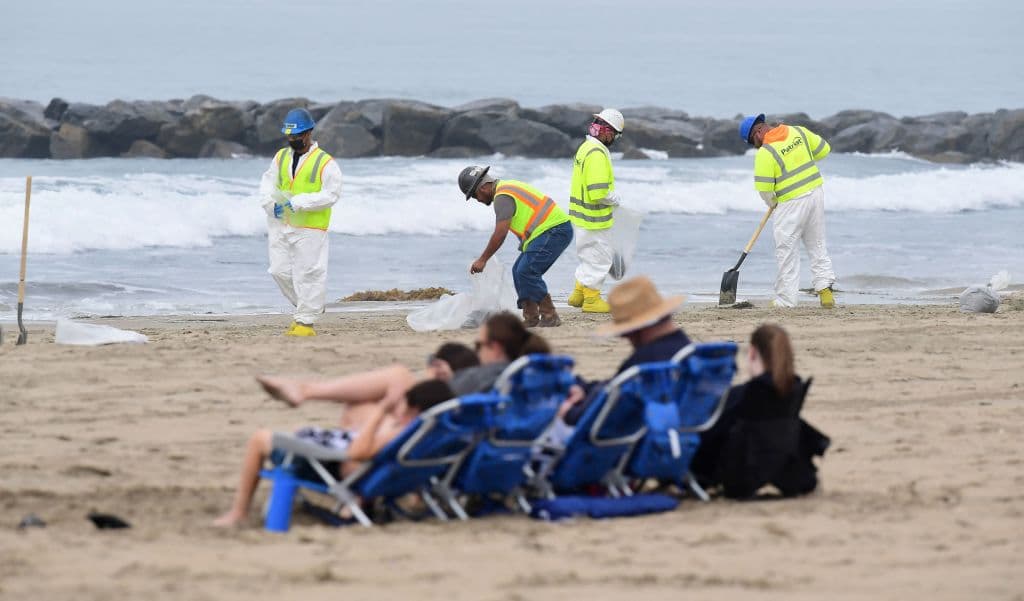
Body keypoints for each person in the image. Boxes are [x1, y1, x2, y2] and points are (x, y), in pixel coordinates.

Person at [213, 379, 454, 527]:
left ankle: (238, 512)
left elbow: (357, 452)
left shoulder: (403, 432)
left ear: (415, 409)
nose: (400, 411)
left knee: (260, 438)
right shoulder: (438, 435)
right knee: (302, 432)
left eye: (405, 407)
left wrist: (381, 412)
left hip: (335, 471)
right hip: (374, 476)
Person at [256, 312, 549, 415]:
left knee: (394, 378)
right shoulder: (521, 377)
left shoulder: (488, 375)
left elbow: (443, 402)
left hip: (443, 426)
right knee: (365, 403)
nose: (476, 350)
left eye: (478, 345)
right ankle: (306, 391)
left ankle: (306, 391)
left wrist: (434, 379)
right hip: (466, 425)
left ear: (495, 347)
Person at [689, 324, 830, 499]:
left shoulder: (746, 394)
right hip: (781, 464)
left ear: (752, 353)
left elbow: (710, 432)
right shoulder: (794, 390)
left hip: (738, 473)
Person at [559, 276, 691, 426]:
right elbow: (616, 387)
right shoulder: (688, 352)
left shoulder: (646, 363)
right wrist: (586, 388)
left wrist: (568, 412)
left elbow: (607, 410)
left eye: (626, 332)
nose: (625, 337)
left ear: (636, 329)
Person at [258, 107, 343, 336]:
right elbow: (267, 183)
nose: (293, 140)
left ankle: (305, 322)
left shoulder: (325, 162)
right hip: (281, 222)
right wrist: (270, 205)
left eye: (296, 135)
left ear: (308, 133)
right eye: (290, 136)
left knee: (309, 273)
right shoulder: (281, 157)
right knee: (279, 271)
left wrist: (300, 202)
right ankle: (310, 306)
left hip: (310, 226)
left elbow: (332, 194)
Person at [739, 113, 836, 308]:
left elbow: (765, 189)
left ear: (757, 133)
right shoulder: (798, 131)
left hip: (791, 203)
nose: (756, 146)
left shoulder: (766, 153)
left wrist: (772, 202)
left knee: (786, 250)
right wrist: (798, 155)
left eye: (753, 142)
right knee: (816, 243)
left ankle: (786, 300)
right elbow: (824, 150)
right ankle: (825, 292)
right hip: (815, 193)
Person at [458, 166, 573, 327]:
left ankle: (550, 315)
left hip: (554, 230)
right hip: (547, 231)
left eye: (474, 195)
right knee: (519, 271)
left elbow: (500, 233)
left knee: (527, 271)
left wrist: (483, 259)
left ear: (482, 187)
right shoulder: (506, 188)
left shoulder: (502, 197)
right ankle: (531, 317)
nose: (477, 200)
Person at [567, 108, 626, 314]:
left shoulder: (585, 147)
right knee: (600, 258)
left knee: (587, 255)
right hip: (594, 216)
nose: (615, 139)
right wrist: (615, 199)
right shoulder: (597, 153)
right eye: (616, 135)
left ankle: (578, 293)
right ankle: (591, 299)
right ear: (608, 132)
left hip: (581, 215)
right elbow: (598, 191)